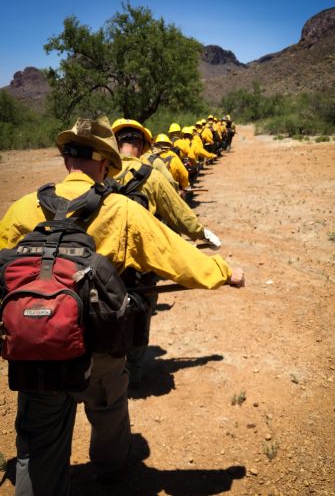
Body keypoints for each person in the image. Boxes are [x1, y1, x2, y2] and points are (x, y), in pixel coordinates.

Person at [0, 116, 245, 495]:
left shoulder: (21, 209)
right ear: (104, 163)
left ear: (67, 160)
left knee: (39, 437)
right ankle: (111, 469)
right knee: (109, 405)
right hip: (97, 342)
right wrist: (223, 271)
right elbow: (175, 254)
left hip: (35, 346)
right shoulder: (121, 210)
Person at [110, 117, 223, 386]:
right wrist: (201, 232)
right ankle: (133, 370)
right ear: (140, 144)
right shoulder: (151, 175)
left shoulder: (101, 171)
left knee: (102, 311)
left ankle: (107, 369)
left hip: (103, 262)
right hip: (140, 264)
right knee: (141, 312)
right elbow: (179, 213)